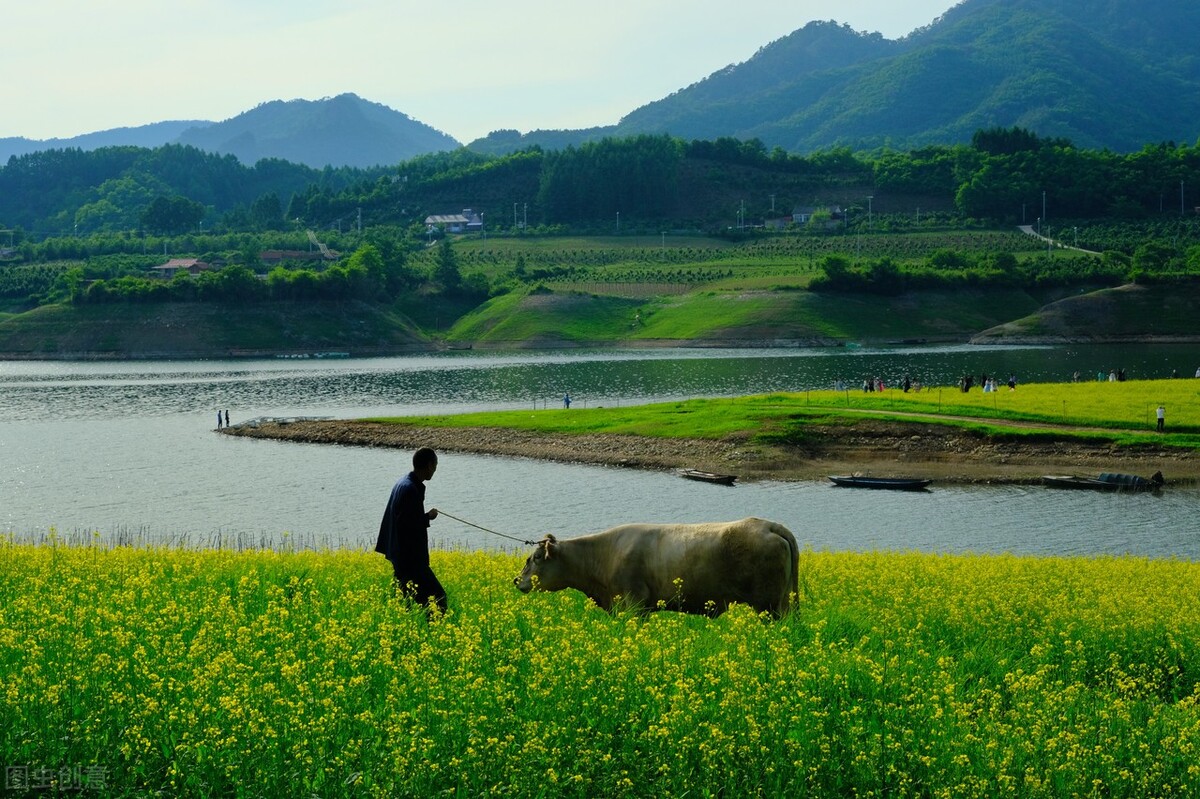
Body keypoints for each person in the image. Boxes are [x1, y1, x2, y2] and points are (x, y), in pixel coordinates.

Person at [375, 447, 447, 617]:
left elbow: (405, 519)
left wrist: (423, 517)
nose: (435, 471)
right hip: (410, 560)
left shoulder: (403, 483)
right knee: (438, 599)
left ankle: (417, 636)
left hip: (400, 556)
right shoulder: (410, 489)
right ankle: (431, 636)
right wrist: (427, 517)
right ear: (429, 465)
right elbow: (407, 525)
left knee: (407, 605)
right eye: (435, 466)